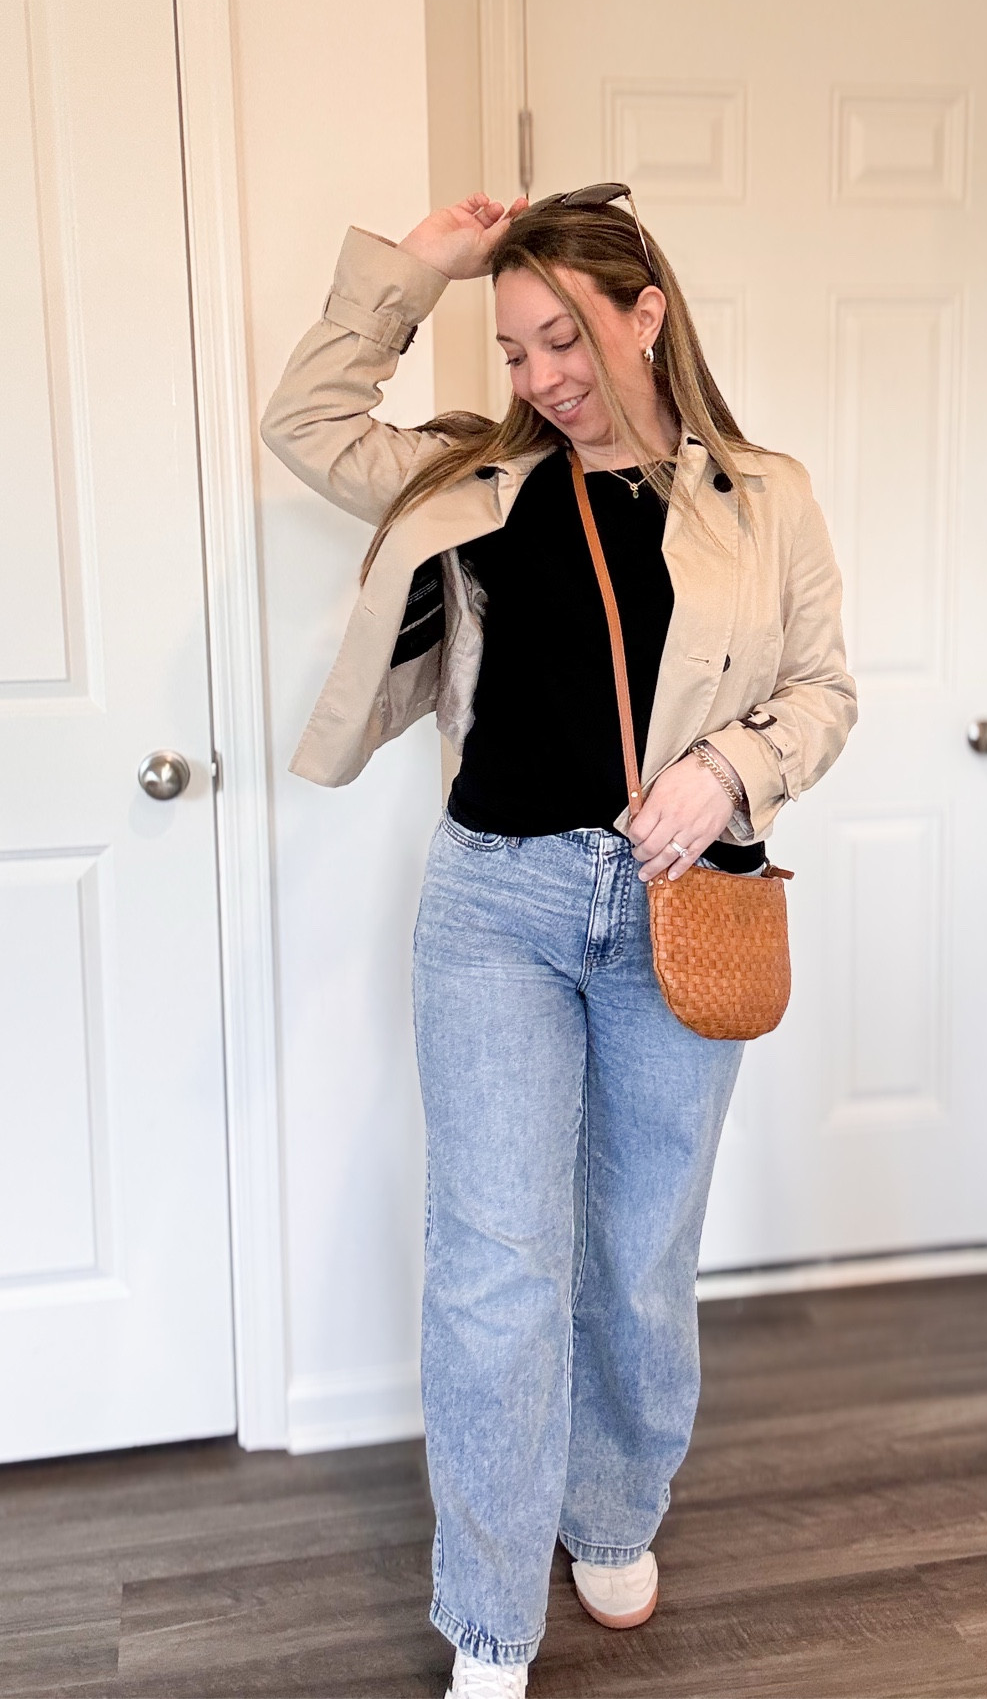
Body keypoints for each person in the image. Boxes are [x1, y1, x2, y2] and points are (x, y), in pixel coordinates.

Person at [260, 186, 857, 1697]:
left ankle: (612, 1511)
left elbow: (826, 691)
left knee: (640, 1255)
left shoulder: (766, 497)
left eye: (563, 337)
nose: (539, 376)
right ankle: (487, 1622)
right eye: (515, 346)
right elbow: (307, 423)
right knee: (495, 1266)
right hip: (498, 908)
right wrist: (423, 267)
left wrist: (731, 771)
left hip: (680, 908)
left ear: (646, 313)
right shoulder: (479, 476)